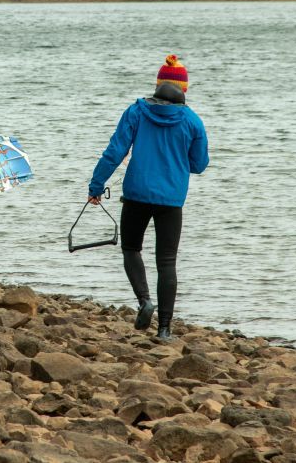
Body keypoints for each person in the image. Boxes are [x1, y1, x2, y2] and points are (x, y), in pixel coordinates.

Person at [88, 55, 209, 340]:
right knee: (166, 262)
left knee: (131, 249)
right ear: (185, 90)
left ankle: (144, 301)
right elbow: (199, 165)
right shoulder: (193, 121)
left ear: (157, 85)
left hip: (136, 195)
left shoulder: (137, 111)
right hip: (171, 200)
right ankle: (165, 329)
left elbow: (114, 151)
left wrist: (96, 185)